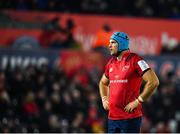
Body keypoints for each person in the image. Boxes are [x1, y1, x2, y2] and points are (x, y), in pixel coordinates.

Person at [99, 32, 159, 133]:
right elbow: (103, 83)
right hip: (112, 118)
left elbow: (153, 82)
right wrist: (104, 99)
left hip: (130, 118)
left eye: (113, 42)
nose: (109, 45)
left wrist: (138, 101)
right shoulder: (111, 63)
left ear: (121, 43)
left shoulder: (135, 60)